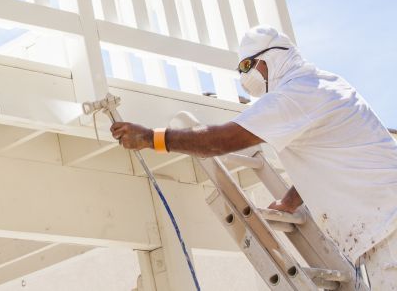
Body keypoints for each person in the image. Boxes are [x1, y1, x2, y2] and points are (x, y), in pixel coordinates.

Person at [110, 25, 397, 288]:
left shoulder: (295, 94)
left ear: (271, 58)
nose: (244, 77)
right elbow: (327, 162)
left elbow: (220, 141)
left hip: (389, 233)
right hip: (384, 228)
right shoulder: (325, 84)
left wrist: (151, 137)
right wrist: (289, 202)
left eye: (247, 66)